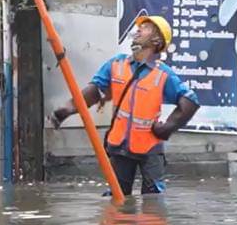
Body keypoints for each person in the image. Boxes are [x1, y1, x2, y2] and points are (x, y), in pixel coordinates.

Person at [50, 15, 199, 195]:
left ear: (156, 40)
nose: (138, 30)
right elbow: (94, 92)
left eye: (145, 28)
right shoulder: (116, 64)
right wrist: (67, 110)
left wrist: (167, 127)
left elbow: (190, 102)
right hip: (119, 146)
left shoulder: (164, 75)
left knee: (153, 201)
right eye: (139, 27)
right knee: (117, 196)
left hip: (150, 148)